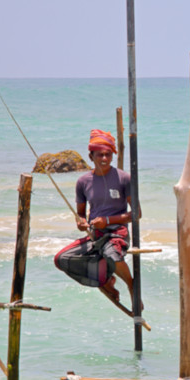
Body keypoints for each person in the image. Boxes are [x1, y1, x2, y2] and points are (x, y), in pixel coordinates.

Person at [54, 129, 141, 310]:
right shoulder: (83, 182)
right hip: (96, 235)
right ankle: (106, 280)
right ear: (91, 156)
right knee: (61, 258)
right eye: (100, 155)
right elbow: (80, 214)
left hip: (117, 233)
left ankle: (132, 286)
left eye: (108, 155)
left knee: (111, 253)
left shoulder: (124, 178)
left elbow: (136, 214)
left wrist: (107, 221)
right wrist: (81, 223)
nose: (104, 159)